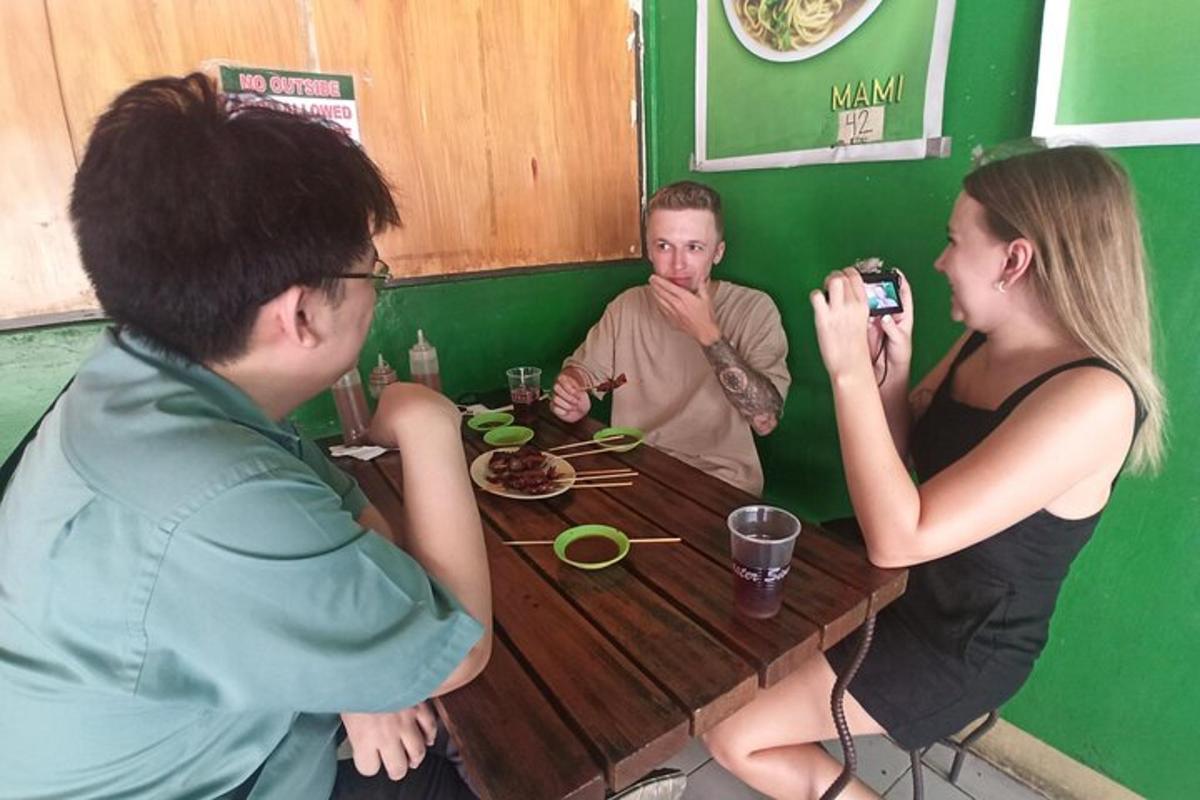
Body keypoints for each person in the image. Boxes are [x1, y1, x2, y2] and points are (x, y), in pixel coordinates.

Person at [0, 74, 492, 799]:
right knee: (462, 762)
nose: (373, 287)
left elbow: (353, 533)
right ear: (300, 317)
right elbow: (459, 647)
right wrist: (428, 423)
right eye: (371, 273)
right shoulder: (213, 490)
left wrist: (355, 674)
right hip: (210, 779)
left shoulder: (147, 380)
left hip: (213, 719)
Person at [701, 145, 1164, 799]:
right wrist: (889, 372)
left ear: (1015, 259)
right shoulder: (984, 338)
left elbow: (900, 532)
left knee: (731, 731)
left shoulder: (1093, 399)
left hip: (957, 638)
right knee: (730, 592)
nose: (942, 261)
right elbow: (905, 460)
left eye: (953, 242)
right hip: (898, 577)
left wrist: (847, 375)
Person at [551, 181, 791, 496]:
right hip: (635, 470)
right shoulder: (628, 305)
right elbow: (583, 373)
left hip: (721, 482)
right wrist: (572, 390)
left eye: (694, 247)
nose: (678, 264)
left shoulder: (754, 308)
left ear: (717, 253)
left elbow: (765, 419)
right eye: (664, 246)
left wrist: (707, 334)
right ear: (649, 249)